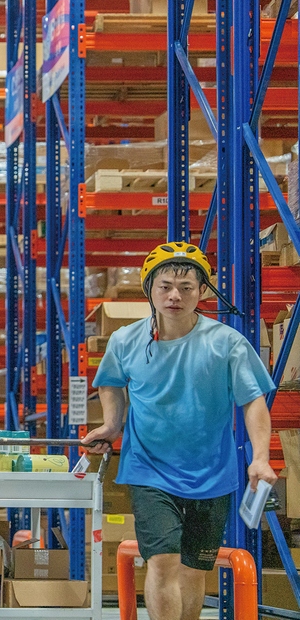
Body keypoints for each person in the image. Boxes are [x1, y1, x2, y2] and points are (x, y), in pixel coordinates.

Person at [83, 242, 275, 620]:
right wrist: (111, 423)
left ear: (202, 291)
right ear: (149, 289)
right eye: (165, 285)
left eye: (187, 287)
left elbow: (253, 400)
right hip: (149, 469)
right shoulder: (125, 340)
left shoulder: (227, 343)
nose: (175, 295)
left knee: (194, 568)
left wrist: (261, 458)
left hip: (212, 473)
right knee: (163, 562)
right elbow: (109, 382)